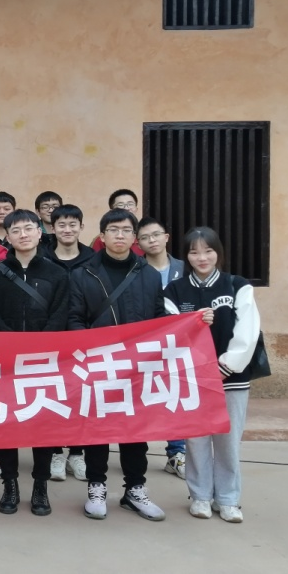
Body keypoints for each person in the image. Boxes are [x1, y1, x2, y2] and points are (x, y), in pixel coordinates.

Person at [68, 208, 165, 521]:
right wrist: (92, 351)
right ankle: (96, 488)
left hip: (137, 368)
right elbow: (75, 319)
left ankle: (135, 489)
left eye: (125, 230)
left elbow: (159, 319)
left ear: (134, 237)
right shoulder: (83, 274)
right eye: (113, 230)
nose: (119, 235)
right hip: (99, 365)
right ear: (102, 235)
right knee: (97, 430)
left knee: (135, 432)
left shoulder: (149, 274)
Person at [164, 227, 260, 523]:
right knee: (196, 440)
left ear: (218, 252)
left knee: (228, 441)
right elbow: (170, 330)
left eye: (208, 251)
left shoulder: (238, 286)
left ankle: (228, 499)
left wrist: (225, 367)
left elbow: (248, 332)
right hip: (193, 378)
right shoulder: (175, 290)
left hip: (232, 379)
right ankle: (201, 496)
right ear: (186, 256)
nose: (202, 257)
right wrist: (192, 322)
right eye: (194, 252)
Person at [0, 209, 70, 517]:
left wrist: (39, 345)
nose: (23, 234)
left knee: (41, 425)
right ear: (7, 236)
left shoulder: (57, 273)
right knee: (8, 425)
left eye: (28, 228)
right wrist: (12, 344)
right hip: (6, 361)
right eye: (16, 230)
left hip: (44, 362)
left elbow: (61, 313)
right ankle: (10, 484)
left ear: (39, 232)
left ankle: (40, 486)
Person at [39, 203, 92, 481]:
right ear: (52, 227)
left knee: (81, 395)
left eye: (73, 224)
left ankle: (77, 453)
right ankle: (56, 452)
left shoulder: (93, 259)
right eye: (61, 224)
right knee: (54, 396)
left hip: (84, 337)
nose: (67, 229)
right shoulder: (43, 258)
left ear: (81, 227)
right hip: (52, 338)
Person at [138, 216, 188, 479]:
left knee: (176, 397)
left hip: (181, 345)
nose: (152, 241)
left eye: (156, 235)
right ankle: (137, 455)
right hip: (145, 346)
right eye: (145, 237)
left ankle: (177, 453)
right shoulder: (135, 270)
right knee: (142, 398)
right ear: (139, 243)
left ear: (166, 237)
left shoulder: (185, 267)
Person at [90, 189, 144, 255]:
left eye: (130, 204)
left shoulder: (145, 236)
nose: (126, 208)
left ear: (136, 209)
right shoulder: (103, 239)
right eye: (120, 205)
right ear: (112, 211)